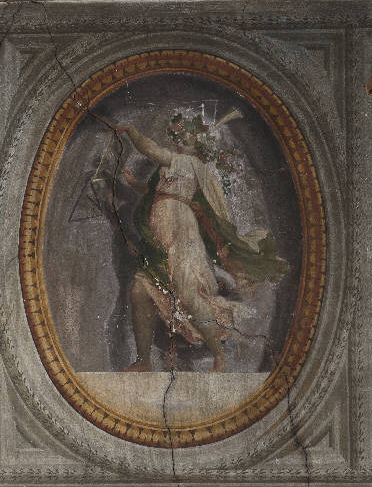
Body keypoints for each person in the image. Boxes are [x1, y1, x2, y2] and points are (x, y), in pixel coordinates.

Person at [116, 112, 288, 373]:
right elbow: (156, 191)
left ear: (193, 142)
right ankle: (143, 361)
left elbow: (150, 150)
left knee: (189, 296)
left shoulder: (186, 163)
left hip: (181, 238)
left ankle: (219, 356)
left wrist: (131, 131)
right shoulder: (172, 167)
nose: (177, 140)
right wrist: (135, 184)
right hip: (158, 245)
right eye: (177, 135)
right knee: (139, 291)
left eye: (182, 135)